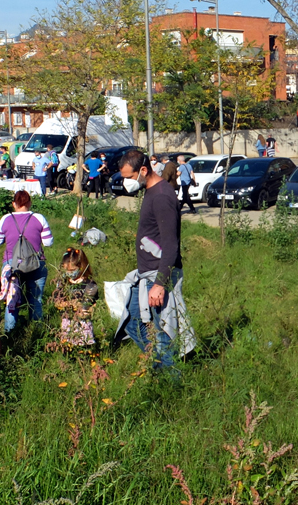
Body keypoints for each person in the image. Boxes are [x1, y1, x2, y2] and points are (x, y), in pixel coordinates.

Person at [115, 149, 193, 369]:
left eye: (129, 177)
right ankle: (157, 364)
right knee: (132, 323)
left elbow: (170, 244)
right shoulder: (150, 190)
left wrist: (159, 284)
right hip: (146, 274)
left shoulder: (161, 196)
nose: (127, 182)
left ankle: (171, 382)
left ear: (143, 170)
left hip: (158, 276)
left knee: (163, 333)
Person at [0, 190, 53, 331]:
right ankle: (37, 331)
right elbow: (48, 242)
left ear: (14, 204)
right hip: (36, 263)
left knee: (11, 300)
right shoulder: (39, 218)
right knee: (36, 300)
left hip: (11, 265)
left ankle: (10, 333)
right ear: (30, 203)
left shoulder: (5, 219)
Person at [51, 247, 99, 350]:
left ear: (81, 267)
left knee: (85, 347)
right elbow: (57, 303)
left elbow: (94, 304)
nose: (69, 273)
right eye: (66, 270)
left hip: (83, 323)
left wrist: (89, 311)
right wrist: (72, 304)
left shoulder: (89, 284)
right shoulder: (63, 283)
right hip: (67, 322)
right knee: (68, 347)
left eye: (72, 270)